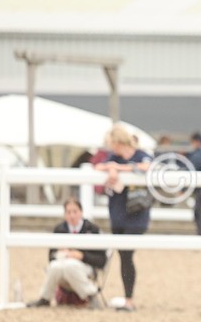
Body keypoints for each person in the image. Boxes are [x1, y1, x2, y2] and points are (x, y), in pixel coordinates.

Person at [93, 125, 151, 312]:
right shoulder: (114, 158)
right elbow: (98, 166)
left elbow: (147, 167)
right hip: (117, 213)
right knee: (123, 255)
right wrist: (112, 167)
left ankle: (129, 298)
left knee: (126, 254)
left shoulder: (140, 155)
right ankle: (128, 298)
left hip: (136, 214)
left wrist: (117, 168)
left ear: (118, 142)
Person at [27, 197, 107, 308]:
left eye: (75, 212)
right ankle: (45, 298)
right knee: (55, 266)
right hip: (63, 267)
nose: (72, 216)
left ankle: (91, 295)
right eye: (68, 212)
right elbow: (51, 257)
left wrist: (82, 256)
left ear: (81, 212)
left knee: (70, 265)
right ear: (64, 214)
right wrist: (61, 254)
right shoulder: (59, 229)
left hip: (86, 268)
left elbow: (102, 260)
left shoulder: (92, 229)